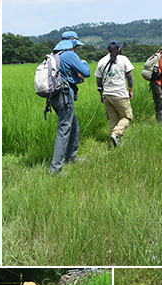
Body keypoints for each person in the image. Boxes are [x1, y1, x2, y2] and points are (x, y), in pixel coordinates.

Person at [48, 31, 91, 176]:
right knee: (64, 129)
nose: (76, 49)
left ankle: (71, 156)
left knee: (73, 125)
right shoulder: (70, 54)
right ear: (73, 44)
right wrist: (84, 63)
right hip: (64, 96)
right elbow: (86, 72)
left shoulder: (56, 55)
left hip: (53, 96)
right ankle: (55, 169)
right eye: (76, 46)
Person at [95, 40, 134, 147]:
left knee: (113, 119)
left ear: (107, 50)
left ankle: (113, 143)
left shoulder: (101, 61)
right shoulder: (123, 59)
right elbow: (129, 76)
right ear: (119, 49)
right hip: (120, 93)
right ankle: (116, 134)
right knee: (127, 116)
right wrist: (130, 90)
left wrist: (101, 94)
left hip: (107, 94)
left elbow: (98, 79)